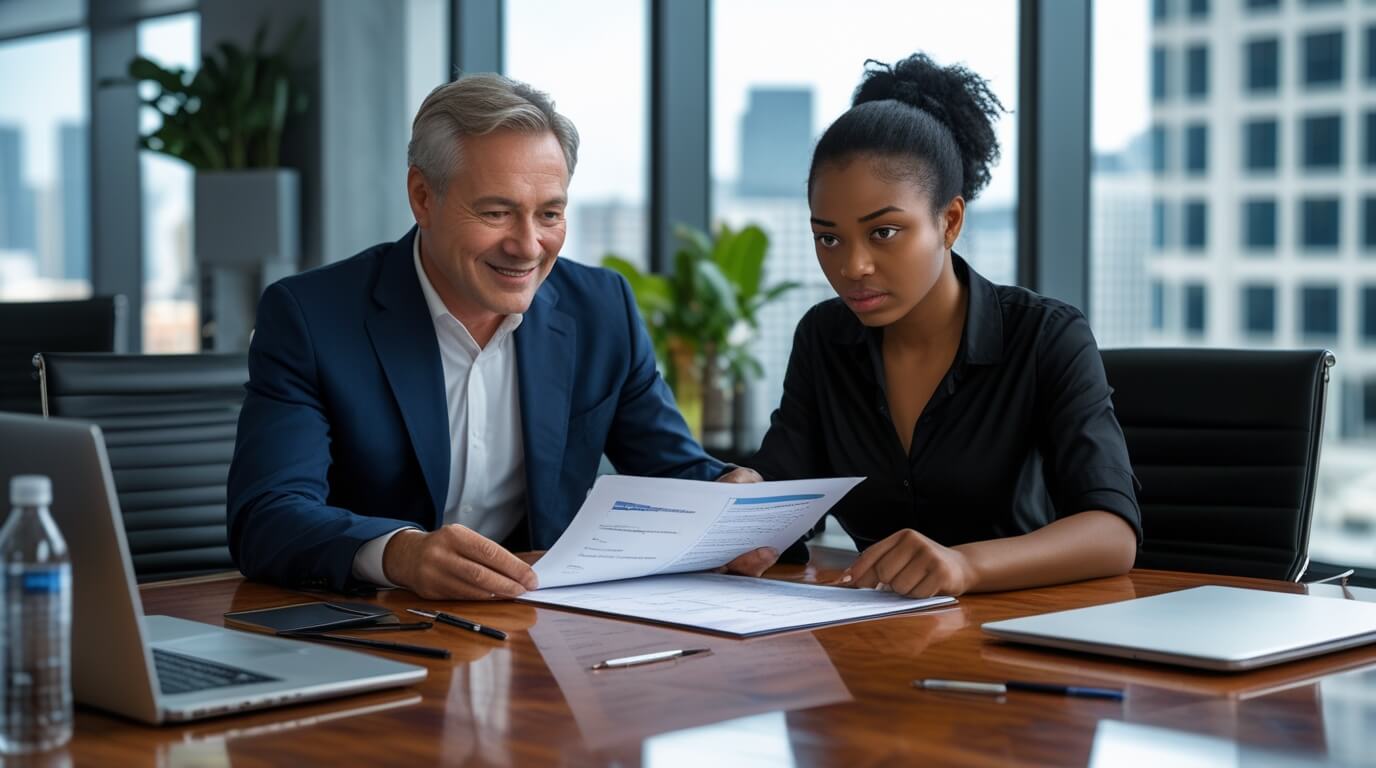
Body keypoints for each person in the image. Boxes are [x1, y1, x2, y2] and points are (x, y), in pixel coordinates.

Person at [227, 74, 768, 600]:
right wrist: (400, 555)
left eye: (549, 214)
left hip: (539, 630)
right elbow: (267, 516)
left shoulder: (601, 308)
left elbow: (672, 472)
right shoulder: (312, 316)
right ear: (422, 196)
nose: (528, 246)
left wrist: (729, 493)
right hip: (376, 629)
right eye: (496, 212)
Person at [745, 53, 1140, 598]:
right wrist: (747, 500)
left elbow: (1112, 534)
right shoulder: (824, 337)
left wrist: (964, 566)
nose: (852, 266)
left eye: (883, 232)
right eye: (829, 238)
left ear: (949, 221)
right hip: (874, 643)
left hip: (1017, 639)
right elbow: (787, 492)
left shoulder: (1046, 337)